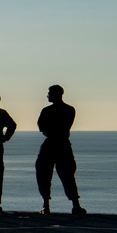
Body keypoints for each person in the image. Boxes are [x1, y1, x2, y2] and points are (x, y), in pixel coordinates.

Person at [36, 85, 87, 215]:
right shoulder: (70, 110)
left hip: (51, 144)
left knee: (44, 174)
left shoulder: (47, 110)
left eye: (49, 93)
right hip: (63, 144)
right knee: (68, 175)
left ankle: (46, 205)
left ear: (56, 94)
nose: (47, 96)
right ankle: (75, 205)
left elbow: (41, 127)